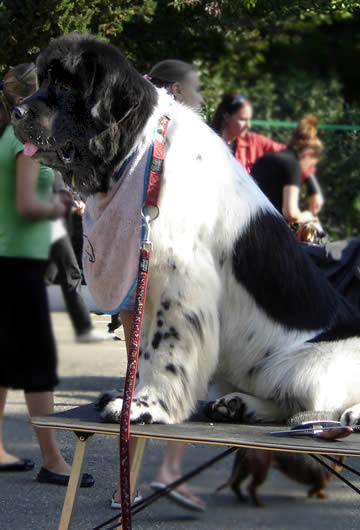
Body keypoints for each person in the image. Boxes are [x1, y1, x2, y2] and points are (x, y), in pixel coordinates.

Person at [110, 59, 206, 512]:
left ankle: (124, 487)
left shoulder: (127, 126)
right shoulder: (176, 132)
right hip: (165, 265)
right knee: (179, 370)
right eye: (197, 90)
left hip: (130, 264)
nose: (202, 99)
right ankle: (167, 471)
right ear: (175, 90)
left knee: (138, 373)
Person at [0, 63, 94, 487]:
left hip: (9, 260)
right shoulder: (25, 140)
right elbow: (25, 204)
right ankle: (54, 461)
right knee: (38, 363)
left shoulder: (9, 136)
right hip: (17, 265)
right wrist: (65, 208)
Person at [212, 93, 324, 215]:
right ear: (227, 117)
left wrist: (313, 188)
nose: (248, 125)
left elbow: (293, 154)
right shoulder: (209, 144)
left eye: (249, 120)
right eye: (243, 120)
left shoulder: (253, 141)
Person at [45, 172, 116, 343]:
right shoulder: (49, 169)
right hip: (53, 229)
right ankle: (84, 328)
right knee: (71, 275)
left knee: (46, 277)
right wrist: (76, 204)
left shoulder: (47, 166)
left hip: (53, 228)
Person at [251, 113, 323, 225]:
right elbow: (290, 214)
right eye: (310, 166)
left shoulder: (264, 159)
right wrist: (308, 216)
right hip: (267, 234)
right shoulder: (293, 165)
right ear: (308, 153)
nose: (307, 171)